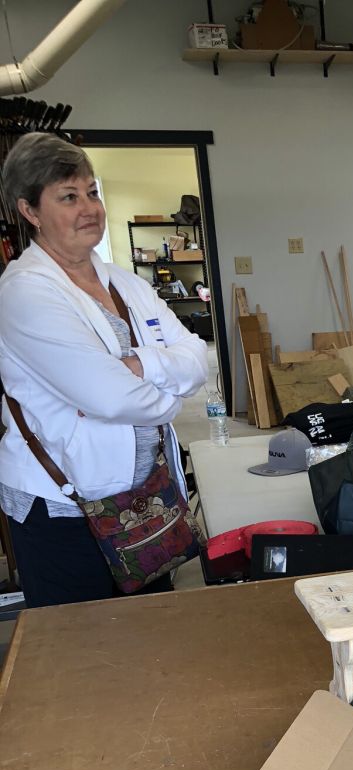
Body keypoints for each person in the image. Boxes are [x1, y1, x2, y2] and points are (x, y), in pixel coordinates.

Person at [0, 132, 207, 607]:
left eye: (92, 192)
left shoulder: (124, 283)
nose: (89, 208)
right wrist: (171, 396)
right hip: (64, 509)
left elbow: (197, 355)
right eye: (68, 197)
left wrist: (138, 363)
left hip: (144, 499)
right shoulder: (25, 292)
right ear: (30, 211)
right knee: (81, 640)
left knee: (150, 626)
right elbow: (112, 398)